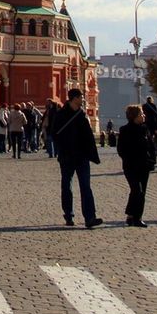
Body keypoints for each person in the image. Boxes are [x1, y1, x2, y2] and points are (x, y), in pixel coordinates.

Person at [52, 88, 103, 228]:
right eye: (81, 97)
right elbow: (55, 133)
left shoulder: (81, 115)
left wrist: (92, 154)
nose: (83, 99)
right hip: (67, 156)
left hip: (81, 156)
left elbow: (88, 137)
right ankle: (68, 214)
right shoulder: (61, 115)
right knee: (67, 186)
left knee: (86, 186)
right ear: (74, 98)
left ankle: (90, 217)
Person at [117, 103, 156, 227]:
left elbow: (151, 146)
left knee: (141, 191)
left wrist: (152, 160)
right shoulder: (125, 130)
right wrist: (128, 160)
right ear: (134, 116)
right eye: (141, 114)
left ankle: (133, 216)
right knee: (136, 190)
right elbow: (121, 149)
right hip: (131, 166)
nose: (144, 116)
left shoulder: (145, 129)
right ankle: (136, 217)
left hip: (144, 165)